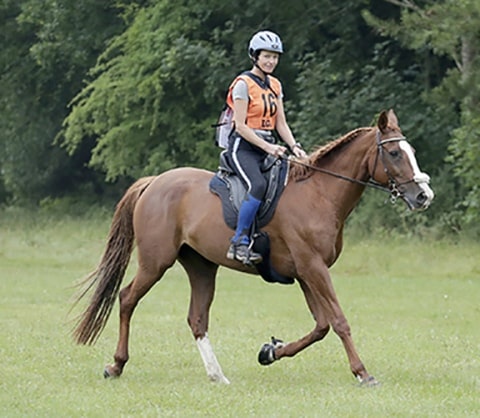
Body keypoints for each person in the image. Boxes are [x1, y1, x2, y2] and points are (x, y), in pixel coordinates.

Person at [225, 30, 307, 264]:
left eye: (274, 57)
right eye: (266, 56)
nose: (271, 61)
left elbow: (280, 123)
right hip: (243, 148)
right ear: (255, 56)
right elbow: (240, 126)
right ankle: (238, 242)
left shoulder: (275, 85)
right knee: (258, 185)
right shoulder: (243, 84)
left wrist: (294, 146)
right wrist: (268, 148)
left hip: (267, 146)